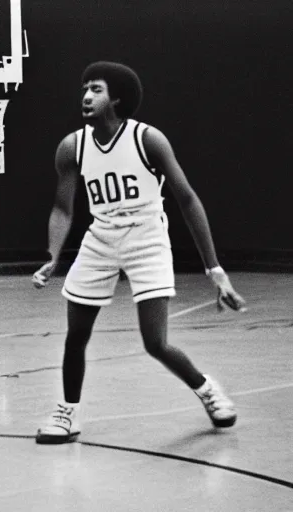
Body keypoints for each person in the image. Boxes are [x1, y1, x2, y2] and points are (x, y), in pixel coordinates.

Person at [32, 61, 246, 444]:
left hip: (146, 236)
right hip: (101, 239)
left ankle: (206, 389)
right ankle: (67, 414)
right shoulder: (71, 147)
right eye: (83, 88)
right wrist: (52, 255)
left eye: (95, 89)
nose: (85, 96)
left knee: (155, 342)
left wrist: (214, 268)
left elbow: (187, 198)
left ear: (116, 97)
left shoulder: (148, 139)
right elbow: (63, 208)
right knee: (75, 335)